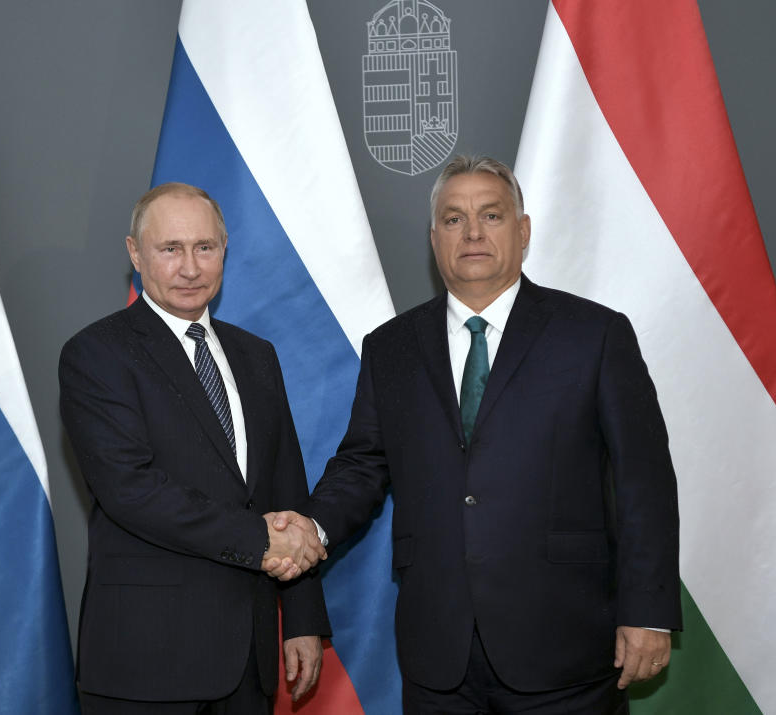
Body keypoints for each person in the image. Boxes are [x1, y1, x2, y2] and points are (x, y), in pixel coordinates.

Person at [269, 156, 681, 714]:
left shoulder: (596, 335)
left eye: (491, 214)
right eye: (454, 218)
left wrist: (649, 610)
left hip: (565, 649)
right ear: (434, 236)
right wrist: (312, 527)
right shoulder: (391, 348)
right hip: (440, 656)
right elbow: (363, 466)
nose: (473, 232)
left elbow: (644, 482)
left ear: (523, 229)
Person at [59, 182, 330, 714]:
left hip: (249, 665)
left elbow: (284, 486)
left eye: (204, 248)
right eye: (170, 249)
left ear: (224, 250)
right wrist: (259, 540)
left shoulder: (257, 356)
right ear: (135, 254)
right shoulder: (96, 354)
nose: (190, 268)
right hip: (146, 665)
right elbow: (131, 491)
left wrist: (302, 620)